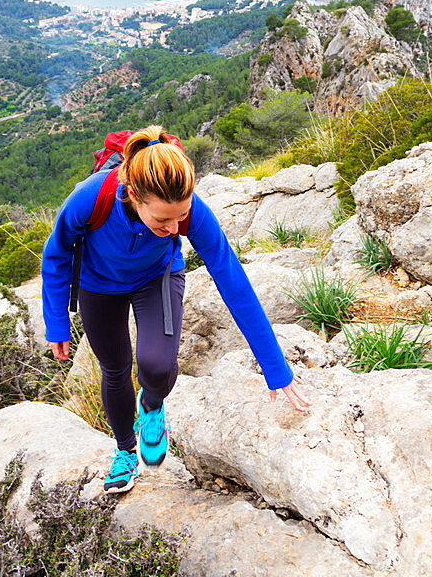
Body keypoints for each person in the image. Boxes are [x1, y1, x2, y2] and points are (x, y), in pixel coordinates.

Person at [41, 125, 311, 494]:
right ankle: (125, 452)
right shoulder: (90, 198)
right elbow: (56, 254)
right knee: (115, 369)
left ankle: (151, 408)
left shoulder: (190, 211)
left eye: (179, 218)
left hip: (158, 277)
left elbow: (232, 280)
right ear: (134, 196)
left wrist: (274, 366)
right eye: (162, 221)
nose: (173, 228)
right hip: (98, 285)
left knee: (157, 365)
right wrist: (56, 322)